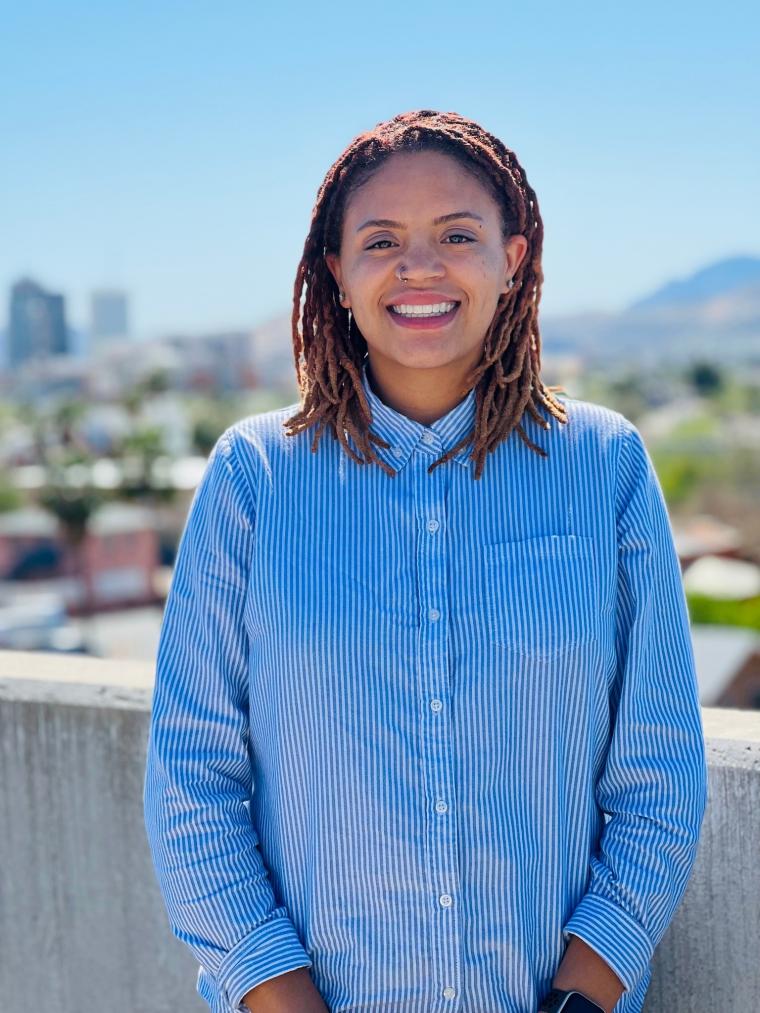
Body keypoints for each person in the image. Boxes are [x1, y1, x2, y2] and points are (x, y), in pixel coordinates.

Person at [143, 109, 708, 1013]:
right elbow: (193, 782)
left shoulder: (606, 466)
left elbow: (660, 772)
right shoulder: (252, 479)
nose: (419, 267)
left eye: (456, 235)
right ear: (336, 273)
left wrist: (581, 997)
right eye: (380, 241)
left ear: (512, 258)